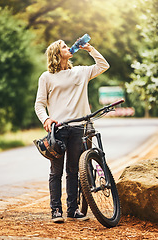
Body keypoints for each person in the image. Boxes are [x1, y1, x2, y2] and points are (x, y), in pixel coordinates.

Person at [34, 38, 110, 223]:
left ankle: (73, 209)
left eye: (68, 46)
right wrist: (46, 119)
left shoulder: (81, 71)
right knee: (56, 172)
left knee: (73, 170)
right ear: (56, 54)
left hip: (78, 128)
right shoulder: (46, 77)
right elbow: (39, 104)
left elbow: (103, 65)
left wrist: (90, 49)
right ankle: (56, 211)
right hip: (58, 130)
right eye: (64, 46)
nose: (69, 48)